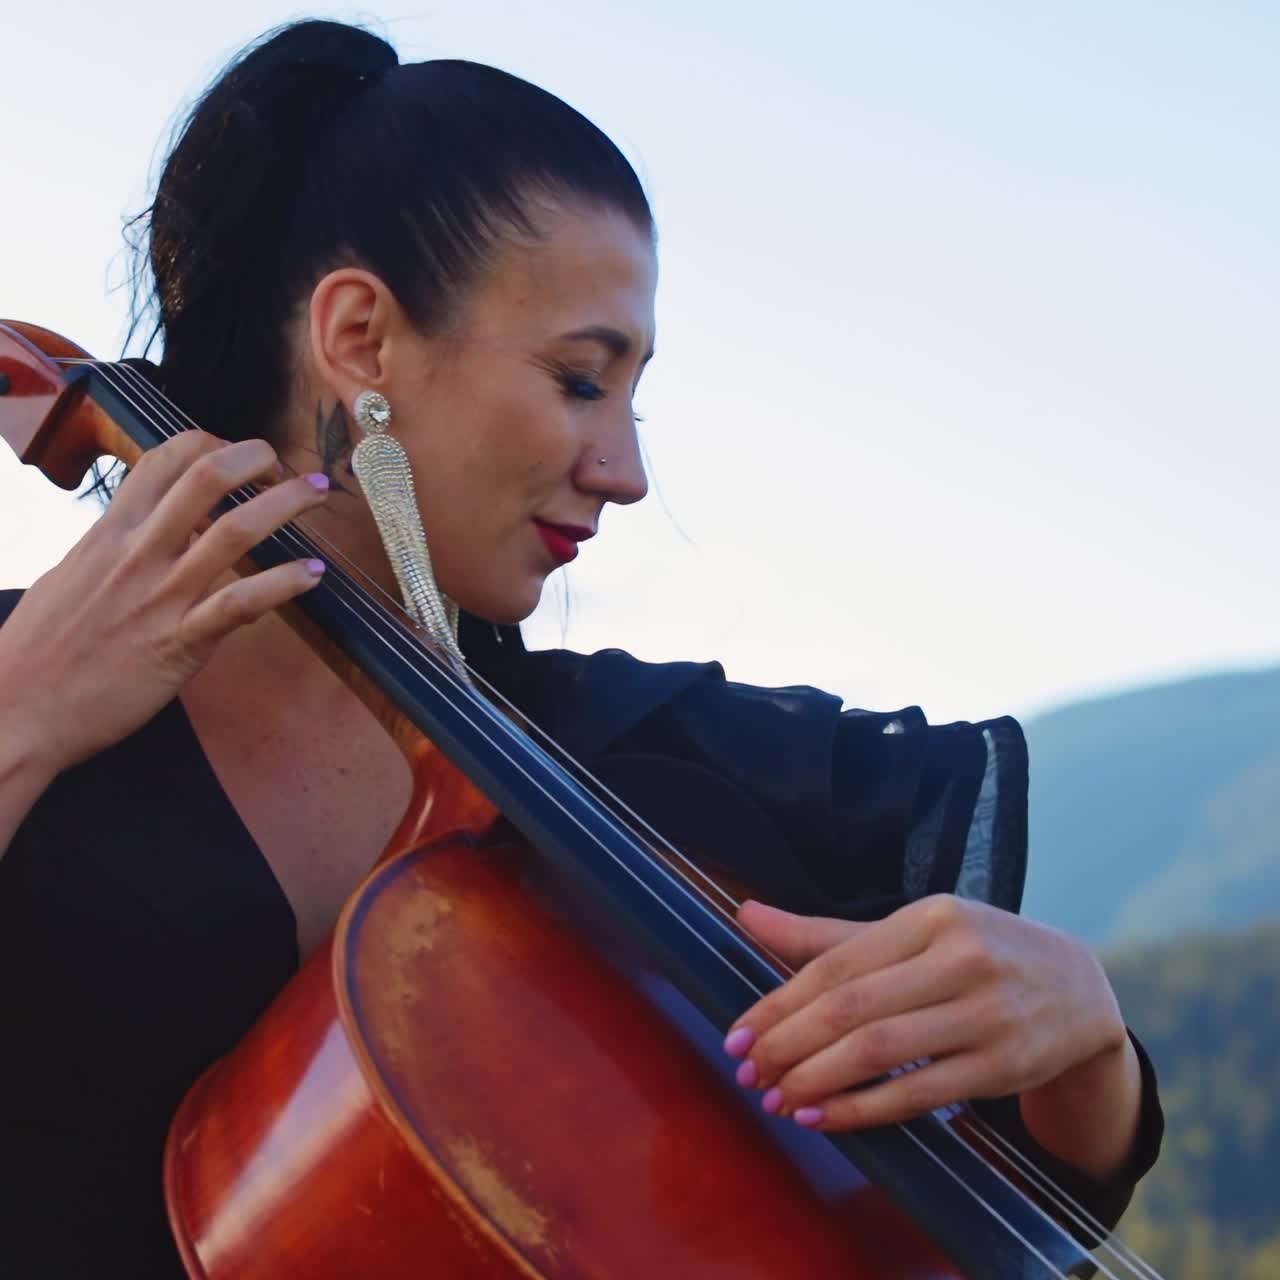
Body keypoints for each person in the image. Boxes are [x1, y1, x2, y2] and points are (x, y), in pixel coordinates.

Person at [0, 19, 1161, 1277]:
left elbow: (979, 1204)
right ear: (360, 341)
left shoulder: (651, 774)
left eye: (631, 394)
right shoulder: (24, 690)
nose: (626, 469)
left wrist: (1086, 1047)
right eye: (576, 379)